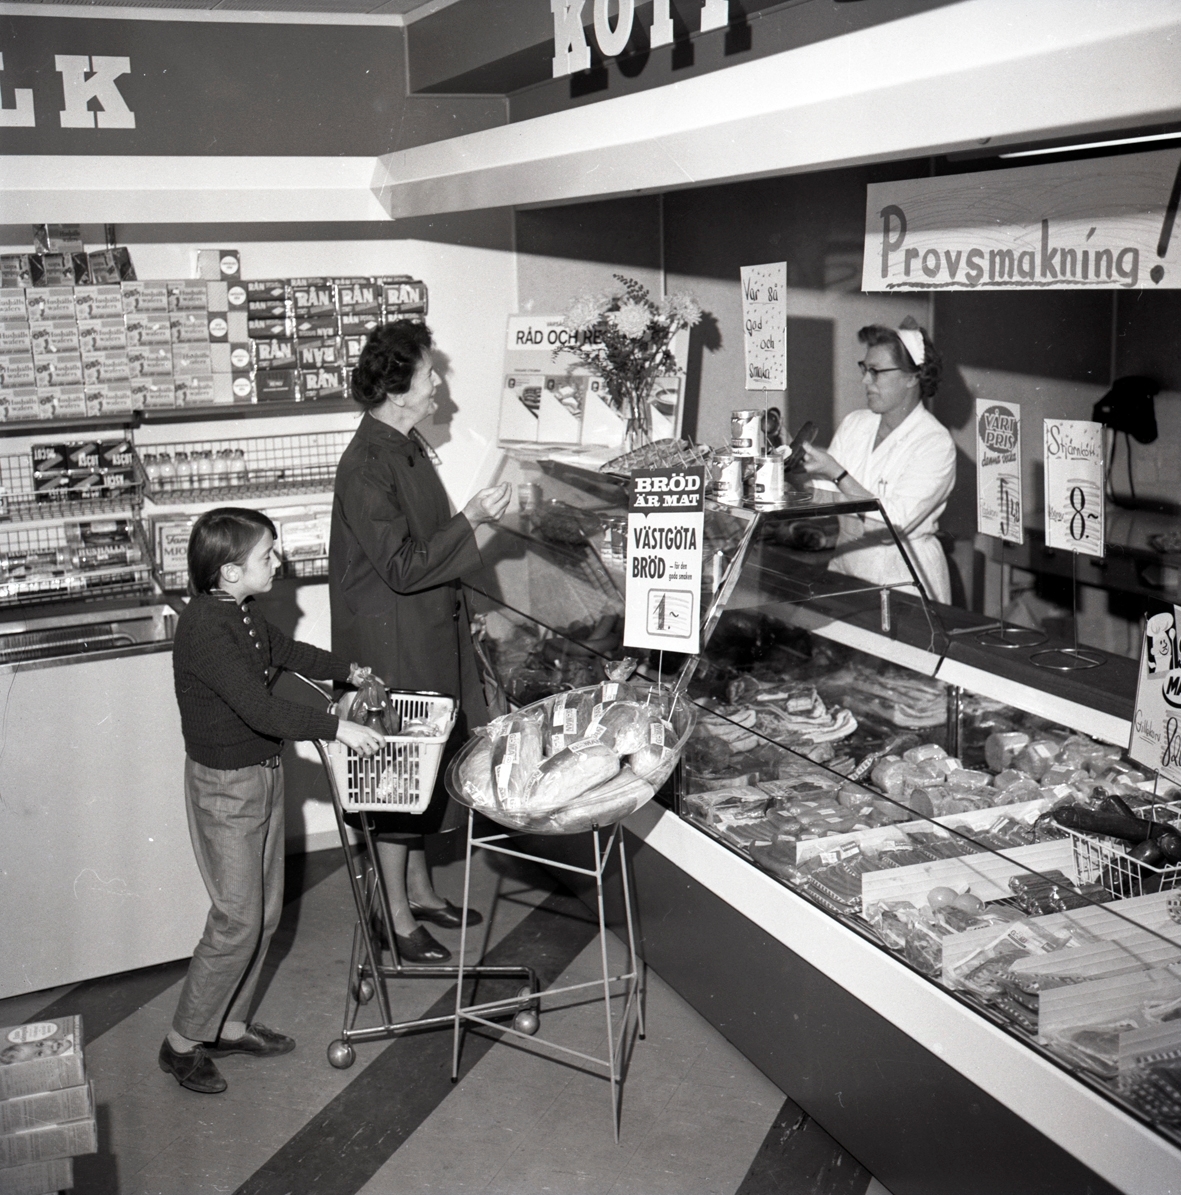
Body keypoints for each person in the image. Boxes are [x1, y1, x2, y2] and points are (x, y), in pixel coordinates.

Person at [161, 508, 384, 1095]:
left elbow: (285, 651)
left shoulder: (241, 611)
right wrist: (337, 728)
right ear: (230, 571)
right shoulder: (205, 629)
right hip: (225, 788)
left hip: (262, 773)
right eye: (267, 555)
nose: (278, 561)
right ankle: (181, 1043)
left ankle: (228, 1026)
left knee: (264, 915)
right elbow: (259, 709)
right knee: (237, 920)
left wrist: (348, 669)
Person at [329, 321, 511, 964]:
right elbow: (404, 566)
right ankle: (395, 916)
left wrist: (467, 606)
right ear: (398, 389)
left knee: (424, 769)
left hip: (421, 631)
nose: (438, 386)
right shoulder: (366, 465)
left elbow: (425, 545)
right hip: (393, 646)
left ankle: (421, 890)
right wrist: (474, 519)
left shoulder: (404, 445)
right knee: (398, 777)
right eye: (429, 375)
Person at [802, 317, 957, 604]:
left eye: (876, 372)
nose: (865, 381)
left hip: (904, 585)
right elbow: (823, 498)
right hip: (846, 574)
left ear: (912, 377)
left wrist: (837, 473)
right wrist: (792, 467)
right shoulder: (856, 423)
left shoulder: (934, 442)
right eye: (864, 369)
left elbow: (891, 527)